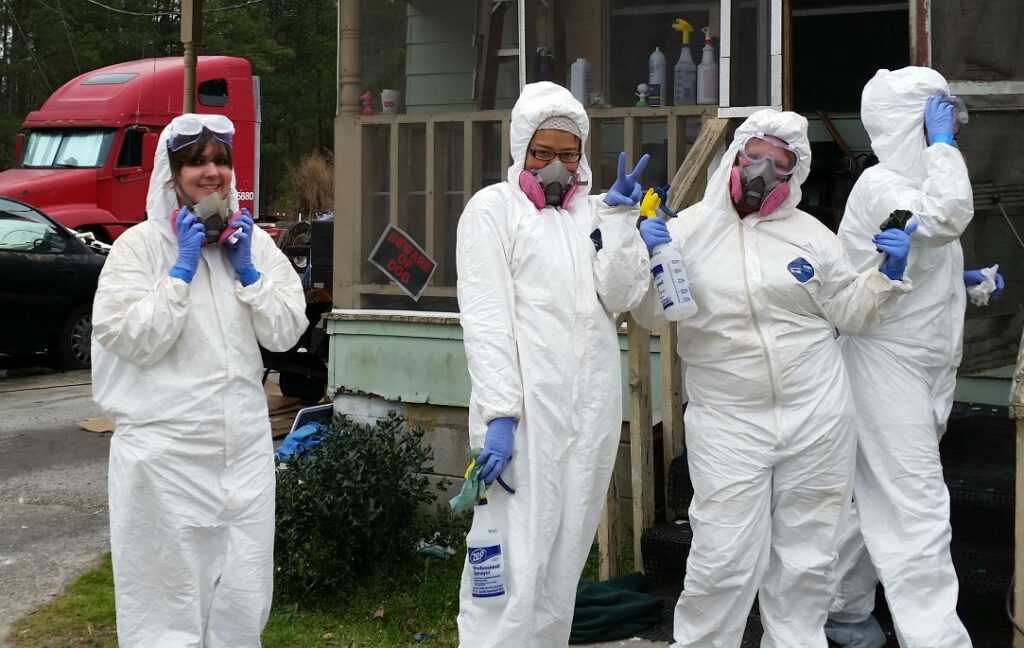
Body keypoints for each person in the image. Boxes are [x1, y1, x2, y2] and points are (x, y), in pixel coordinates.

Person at [633, 109, 914, 648]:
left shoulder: (812, 237)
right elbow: (651, 315)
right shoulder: (686, 232)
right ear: (734, 157)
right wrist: (646, 252)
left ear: (794, 177)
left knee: (807, 562)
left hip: (817, 416)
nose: (762, 171)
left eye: (779, 166)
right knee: (722, 559)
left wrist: (886, 275)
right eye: (754, 157)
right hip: (729, 421)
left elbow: (850, 312)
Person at [91, 113, 307, 647]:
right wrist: (180, 271)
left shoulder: (250, 245)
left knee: (242, 597)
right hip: (166, 460)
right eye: (196, 162)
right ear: (172, 175)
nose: (212, 173)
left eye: (221, 161)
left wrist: (251, 275)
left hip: (246, 454)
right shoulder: (139, 249)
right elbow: (128, 337)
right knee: (165, 609)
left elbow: (286, 330)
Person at [455, 81, 651, 647]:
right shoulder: (493, 210)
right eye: (544, 152)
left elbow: (621, 296)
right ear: (522, 150)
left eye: (570, 153)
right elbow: (487, 317)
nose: (557, 165)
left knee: (562, 566)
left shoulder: (590, 214)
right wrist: (498, 414)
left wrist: (617, 220)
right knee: (509, 568)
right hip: (522, 421)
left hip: (586, 418)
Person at [825, 66, 1003, 648]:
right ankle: (937, 640)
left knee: (875, 492)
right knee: (916, 505)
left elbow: (925, 250)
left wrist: (964, 279)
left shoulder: (911, 187)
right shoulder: (882, 184)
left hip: (925, 364)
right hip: (884, 364)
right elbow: (948, 216)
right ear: (912, 126)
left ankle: (842, 611)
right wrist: (945, 146)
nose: (951, 133)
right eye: (939, 122)